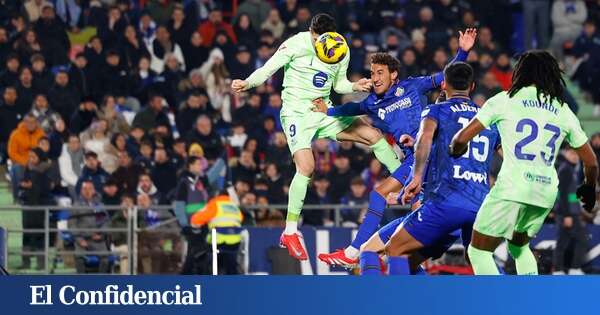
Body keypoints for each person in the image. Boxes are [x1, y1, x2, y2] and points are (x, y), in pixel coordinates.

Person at [231, 13, 399, 260]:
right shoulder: (295, 44)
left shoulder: (340, 48)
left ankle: (408, 180)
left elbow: (338, 84)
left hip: (323, 109)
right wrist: (247, 83)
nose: (323, 47)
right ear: (311, 33)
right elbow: (269, 68)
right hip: (296, 114)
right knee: (307, 167)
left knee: (372, 134)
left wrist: (355, 86)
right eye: (317, 40)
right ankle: (290, 232)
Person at [316, 29, 477, 268]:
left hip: (428, 155)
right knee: (409, 228)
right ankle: (409, 266)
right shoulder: (371, 103)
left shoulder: (412, 87)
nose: (375, 77)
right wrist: (328, 111)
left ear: (394, 75)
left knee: (382, 194)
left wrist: (462, 51)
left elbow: (446, 78)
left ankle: (354, 251)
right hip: (417, 160)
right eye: (372, 73)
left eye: (380, 72)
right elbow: (350, 110)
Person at [450, 50, 598, 275]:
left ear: (521, 73)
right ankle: (531, 300)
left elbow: (460, 138)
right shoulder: (562, 109)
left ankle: (498, 304)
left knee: (478, 251)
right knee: (519, 246)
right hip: (545, 192)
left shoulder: (504, 99)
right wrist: (588, 187)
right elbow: (591, 161)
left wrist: (456, 149)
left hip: (512, 188)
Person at [370, 62, 500, 275]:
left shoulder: (436, 111)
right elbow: (508, 156)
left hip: (446, 202)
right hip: (481, 204)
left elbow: (425, 139)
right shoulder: (489, 120)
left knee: (395, 249)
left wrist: (416, 176)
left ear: (444, 86)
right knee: (478, 261)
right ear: (473, 86)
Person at [553, 146, 588, 275]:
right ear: (566, 154)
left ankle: (560, 269)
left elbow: (571, 195)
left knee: (563, 240)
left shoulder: (570, 170)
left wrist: (578, 210)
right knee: (579, 240)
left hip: (571, 213)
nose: (575, 156)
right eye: (572, 153)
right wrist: (567, 215)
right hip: (566, 214)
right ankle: (571, 268)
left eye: (576, 154)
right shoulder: (565, 170)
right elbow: (561, 194)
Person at [173, 157, 211, 275]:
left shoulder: (200, 182)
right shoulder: (184, 182)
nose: (201, 166)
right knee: (194, 251)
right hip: (192, 224)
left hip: (203, 223)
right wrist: (184, 224)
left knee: (199, 252)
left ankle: (195, 275)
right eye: (198, 164)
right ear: (190, 166)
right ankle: (186, 275)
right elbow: (179, 204)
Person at [190, 192, 243, 275]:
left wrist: (196, 229)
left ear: (217, 196)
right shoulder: (235, 207)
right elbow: (240, 220)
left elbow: (195, 219)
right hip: (235, 242)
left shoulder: (214, 204)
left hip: (217, 241)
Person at [71, 180, 110, 274]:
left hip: (97, 239)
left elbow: (106, 223)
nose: (87, 191)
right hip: (83, 239)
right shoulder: (76, 206)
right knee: (79, 259)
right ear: (81, 191)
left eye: (90, 189)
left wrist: (101, 235)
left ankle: (101, 283)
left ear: (94, 190)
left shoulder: (99, 205)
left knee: (105, 259)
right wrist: (79, 239)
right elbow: (72, 225)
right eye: (85, 189)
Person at [8, 114, 45, 200]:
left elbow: (44, 150)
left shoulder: (41, 133)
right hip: (21, 163)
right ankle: (19, 197)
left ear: (36, 123)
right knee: (17, 168)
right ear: (24, 122)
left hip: (37, 162)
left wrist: (35, 161)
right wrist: (25, 162)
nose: (31, 124)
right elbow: (12, 153)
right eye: (28, 122)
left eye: (33, 122)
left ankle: (41, 196)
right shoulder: (15, 134)